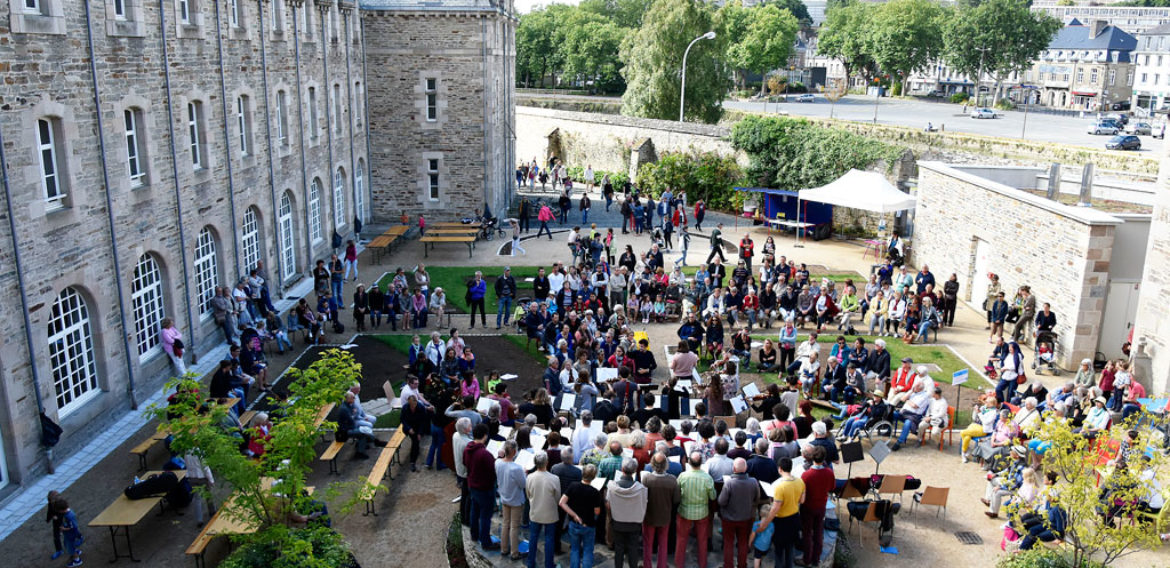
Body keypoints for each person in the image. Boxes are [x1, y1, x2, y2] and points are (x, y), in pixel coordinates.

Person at [755, 457, 805, 568]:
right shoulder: (800, 481)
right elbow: (802, 500)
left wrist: (764, 524)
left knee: (779, 552)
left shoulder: (780, 486)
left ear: (780, 469)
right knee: (790, 550)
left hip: (782, 522)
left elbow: (775, 509)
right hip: (795, 519)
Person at [676, 451, 717, 568]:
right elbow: (713, 496)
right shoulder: (707, 478)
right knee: (702, 540)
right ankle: (702, 563)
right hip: (702, 513)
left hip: (684, 511)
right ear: (702, 463)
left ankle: (679, 563)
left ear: (689, 462)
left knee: (681, 539)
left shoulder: (683, 476)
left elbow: (677, 493)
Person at [719, 457, 761, 568]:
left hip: (729, 518)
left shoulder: (729, 483)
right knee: (743, 542)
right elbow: (757, 499)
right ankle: (742, 565)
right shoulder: (753, 482)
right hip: (746, 517)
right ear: (746, 468)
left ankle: (728, 565)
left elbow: (721, 501)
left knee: (728, 543)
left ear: (733, 468)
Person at [643, 452, 681, 568]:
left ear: (653, 464)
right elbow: (676, 499)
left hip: (650, 516)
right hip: (665, 516)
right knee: (663, 543)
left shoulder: (647, 479)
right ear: (666, 465)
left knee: (648, 543)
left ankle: (647, 565)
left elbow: (643, 498)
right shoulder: (672, 480)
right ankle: (662, 565)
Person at [560, 463, 602, 568]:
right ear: (594, 477)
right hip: (588, 525)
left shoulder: (573, 486)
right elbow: (597, 512)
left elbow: (562, 503)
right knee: (588, 550)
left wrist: (574, 515)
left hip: (574, 524)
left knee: (575, 549)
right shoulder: (595, 492)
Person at [465, 423, 499, 551]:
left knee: (475, 511)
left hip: (473, 485)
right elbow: (493, 471)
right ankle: (486, 542)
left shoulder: (468, 448)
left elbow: (465, 463)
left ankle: (474, 535)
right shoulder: (484, 454)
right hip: (484, 488)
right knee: (485, 516)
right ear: (485, 436)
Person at [801, 446, 836, 567]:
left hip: (808, 507)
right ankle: (816, 559)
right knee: (818, 532)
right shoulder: (829, 473)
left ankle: (806, 559)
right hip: (821, 506)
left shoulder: (806, 475)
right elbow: (831, 488)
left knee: (807, 533)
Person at [527, 451, 561, 568]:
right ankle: (549, 564)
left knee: (533, 537)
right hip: (550, 513)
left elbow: (529, 494)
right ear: (547, 462)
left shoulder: (530, 477)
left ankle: (530, 563)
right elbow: (558, 498)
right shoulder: (554, 478)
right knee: (549, 539)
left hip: (535, 511)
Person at [495, 440, 527, 561]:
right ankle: (514, 553)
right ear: (514, 452)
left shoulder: (498, 463)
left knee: (505, 523)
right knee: (514, 526)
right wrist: (525, 473)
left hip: (504, 497)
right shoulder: (517, 468)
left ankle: (504, 549)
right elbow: (523, 484)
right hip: (515, 500)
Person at [55, 498, 83, 567]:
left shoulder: (68, 516)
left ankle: (77, 560)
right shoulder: (68, 513)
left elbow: (72, 526)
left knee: (70, 547)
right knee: (68, 544)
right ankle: (76, 552)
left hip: (71, 535)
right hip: (69, 535)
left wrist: (63, 529)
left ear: (61, 510)